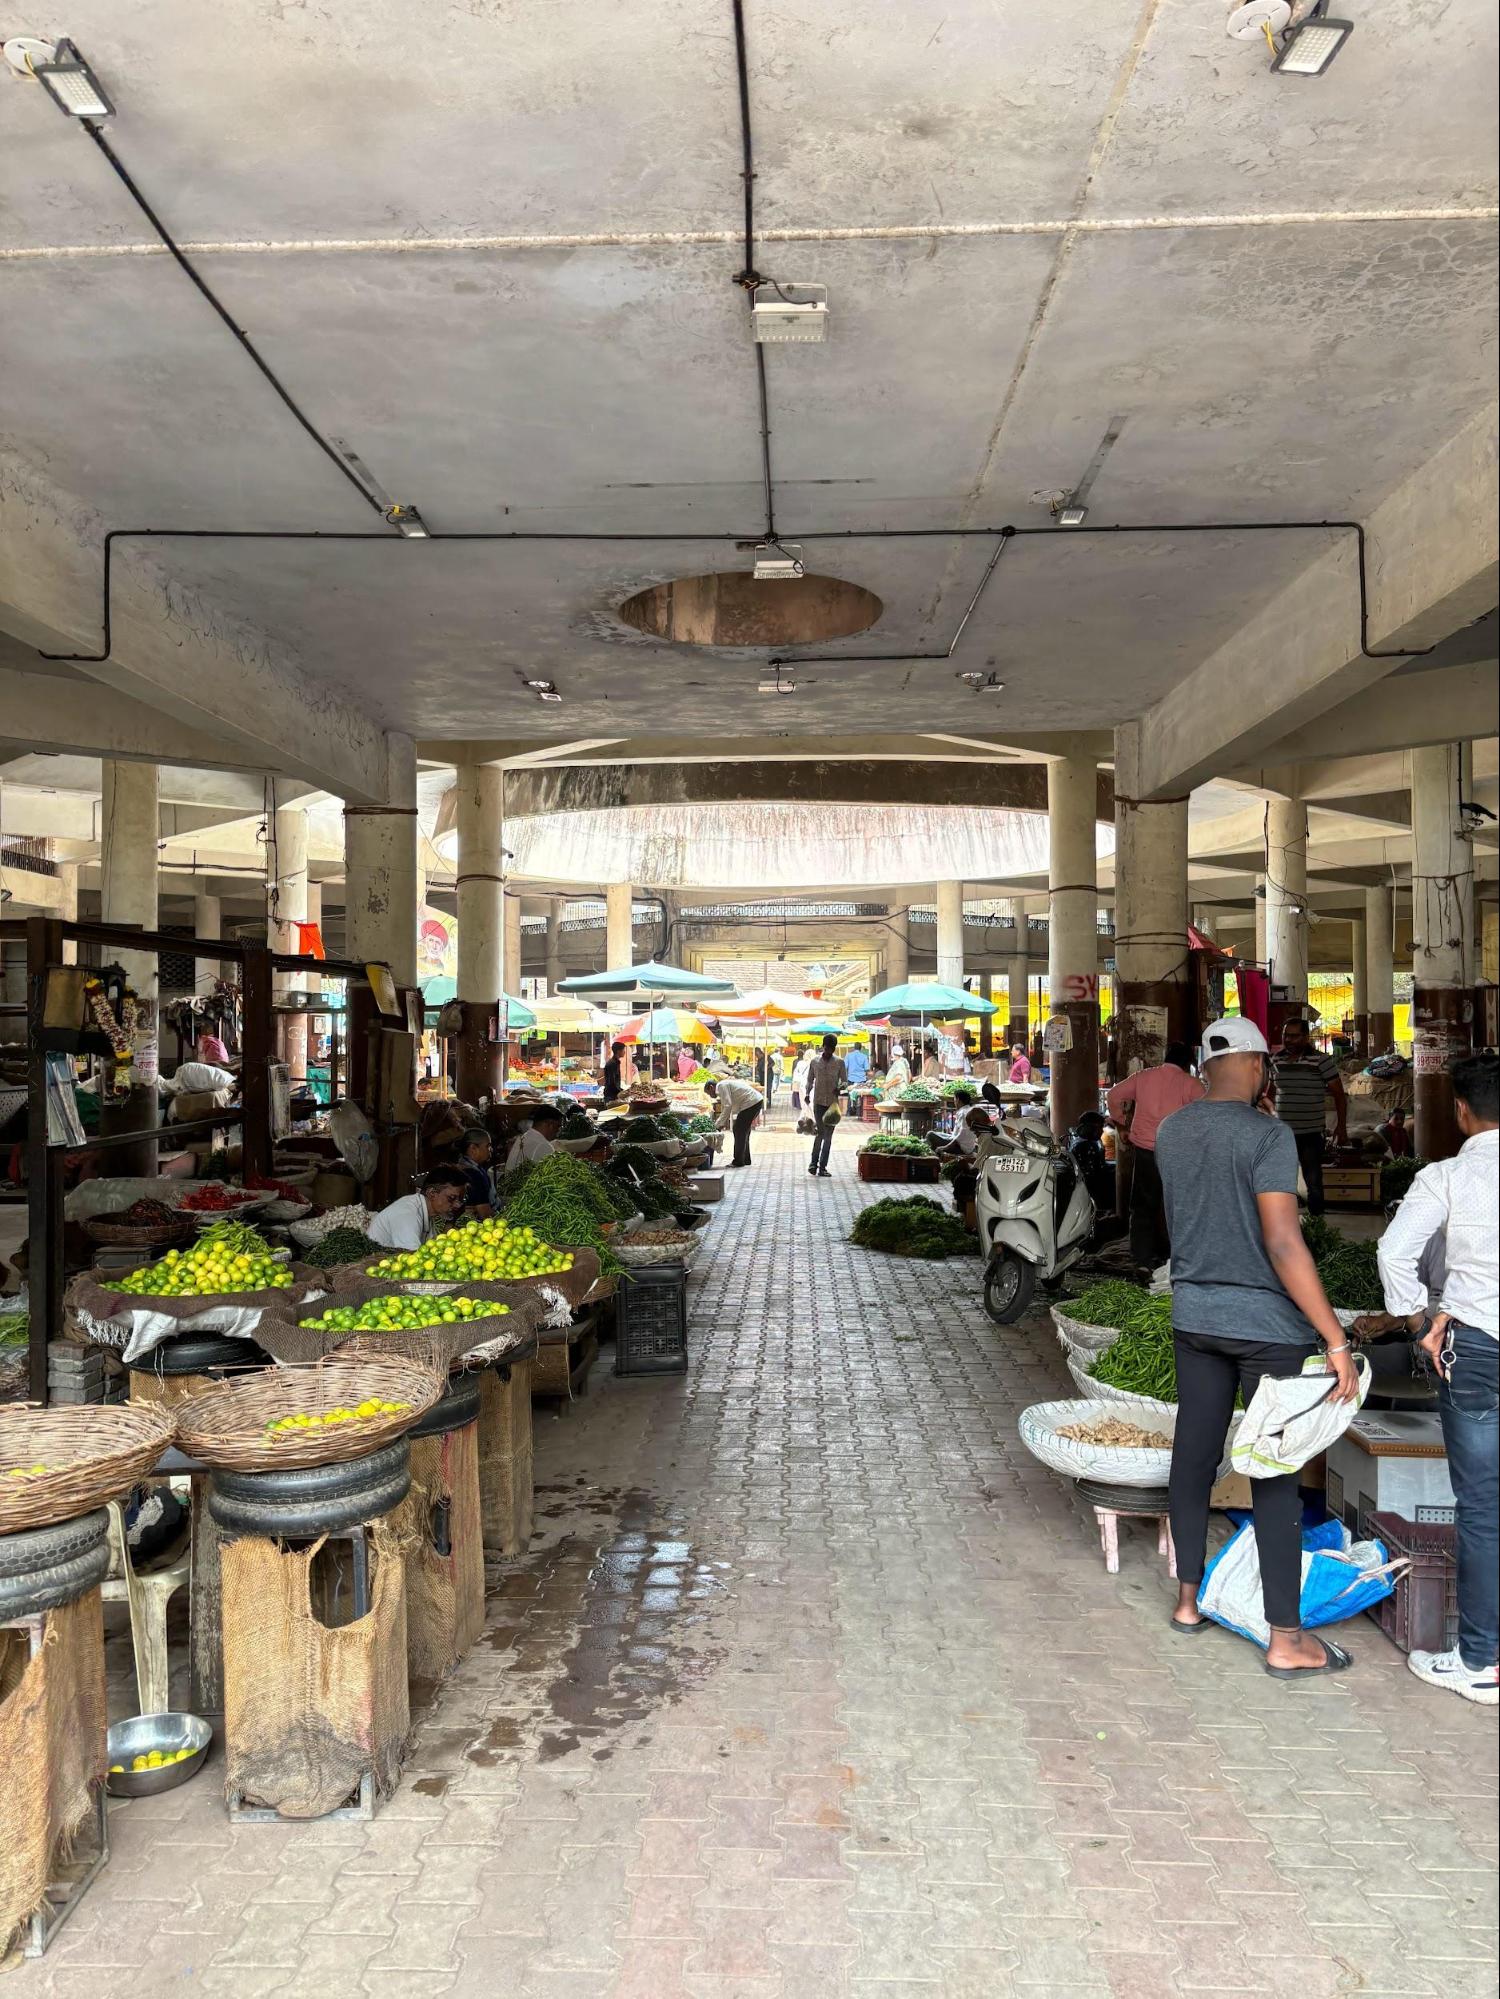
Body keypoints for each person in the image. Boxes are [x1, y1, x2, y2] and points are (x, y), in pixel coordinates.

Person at [1156, 1017, 1359, 1676]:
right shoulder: (1269, 1135)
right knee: (1275, 1469)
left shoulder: (1172, 1131)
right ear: (1254, 1065)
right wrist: (1334, 1338)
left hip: (1195, 1315)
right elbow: (1282, 1240)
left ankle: (1188, 1601)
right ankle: (1285, 1638)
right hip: (1267, 1328)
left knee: (1194, 1453)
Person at [1376, 1052, 1498, 1706]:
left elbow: (1395, 1251)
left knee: (1483, 1509)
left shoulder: (1447, 1176)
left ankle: (1481, 1659)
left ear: (1460, 1111)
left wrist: (1419, 1317)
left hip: (1474, 1351)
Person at [1106, 1042, 1206, 1272]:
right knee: (1179, 1206)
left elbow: (1113, 1094)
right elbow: (1205, 1115)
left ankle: (1142, 1258)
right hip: (1177, 1153)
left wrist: (1121, 1125)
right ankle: (1177, 1257)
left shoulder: (1143, 1077)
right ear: (1187, 1063)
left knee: (1142, 1206)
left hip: (1145, 1152)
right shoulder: (1191, 1084)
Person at [1269, 1015, 1348, 1215]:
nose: (1289, 1040)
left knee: (1313, 1179)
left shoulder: (1321, 1061)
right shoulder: (1275, 1060)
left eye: (1295, 1036)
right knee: (1282, 1179)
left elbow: (1339, 1094)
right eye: (1286, 1035)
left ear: (1306, 1037)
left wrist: (1341, 1126)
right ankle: (1285, 1219)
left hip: (1311, 1133)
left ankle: (1317, 1222)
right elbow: (1269, 1092)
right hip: (1282, 1133)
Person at [368, 1165, 469, 1251]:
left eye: (460, 1200)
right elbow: (413, 1260)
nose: (458, 1205)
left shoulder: (427, 1213)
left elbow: (433, 1250)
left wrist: (450, 1223)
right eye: (452, 1198)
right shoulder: (408, 1215)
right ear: (432, 1193)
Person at [805, 1034, 848, 1177]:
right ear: (823, 1046)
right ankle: (813, 1164)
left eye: (832, 1049)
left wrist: (840, 1087)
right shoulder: (814, 1061)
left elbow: (845, 1081)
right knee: (820, 1133)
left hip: (832, 1105)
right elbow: (810, 1080)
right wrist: (806, 1093)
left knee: (828, 1136)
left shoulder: (840, 1063)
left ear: (834, 1049)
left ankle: (822, 1167)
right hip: (818, 1102)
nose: (829, 1051)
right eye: (827, 1048)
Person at [705, 1074, 764, 1168]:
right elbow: (729, 1106)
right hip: (755, 1102)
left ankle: (738, 1161)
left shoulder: (721, 1086)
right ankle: (745, 1159)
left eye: (709, 1093)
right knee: (743, 1131)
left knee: (738, 1130)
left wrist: (718, 1124)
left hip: (751, 1103)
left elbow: (727, 1106)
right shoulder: (724, 1085)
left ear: (711, 1087)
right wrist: (721, 1122)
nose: (711, 1096)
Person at [1066, 1110, 1116, 1215]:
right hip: (1088, 1191)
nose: (1102, 1131)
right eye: (1100, 1128)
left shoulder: (1080, 1141)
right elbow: (1094, 1176)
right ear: (1090, 1128)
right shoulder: (1085, 1146)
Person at [505, 1103, 563, 1174]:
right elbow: (552, 1175)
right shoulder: (544, 1146)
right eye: (558, 1126)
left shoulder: (523, 1137)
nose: (558, 1131)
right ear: (550, 1124)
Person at [456, 1127, 495, 1217]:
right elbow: (485, 1215)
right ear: (473, 1148)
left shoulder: (466, 1165)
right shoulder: (474, 1176)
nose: (491, 1149)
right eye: (488, 1146)